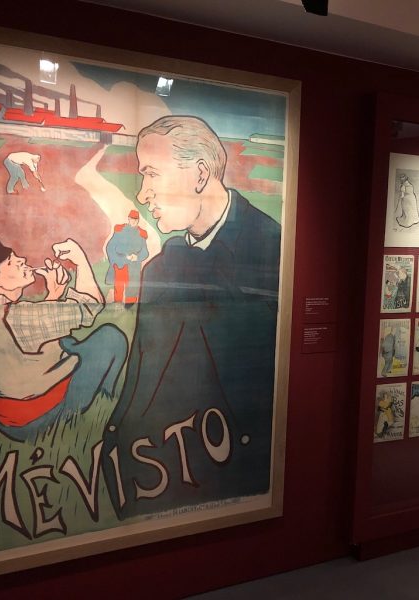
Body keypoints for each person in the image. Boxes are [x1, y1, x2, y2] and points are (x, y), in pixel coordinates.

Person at [101, 116, 282, 518]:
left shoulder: (273, 249)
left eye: (151, 174)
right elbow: (141, 383)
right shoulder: (160, 270)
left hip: (240, 484)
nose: (142, 194)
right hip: (158, 479)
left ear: (200, 174)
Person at [0, 236, 127, 442]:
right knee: (111, 337)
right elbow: (90, 306)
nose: (21, 260)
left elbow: (34, 336)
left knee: (66, 342)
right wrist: (80, 259)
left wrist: (53, 295)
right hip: (30, 420)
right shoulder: (17, 316)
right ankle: (104, 404)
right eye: (11, 262)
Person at [105, 209, 149, 306]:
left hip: (134, 266)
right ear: (128, 219)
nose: (133, 221)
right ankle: (117, 304)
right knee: (119, 287)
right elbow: (110, 247)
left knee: (132, 287)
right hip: (120, 264)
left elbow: (145, 252)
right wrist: (117, 260)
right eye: (132, 219)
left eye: (136, 220)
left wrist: (137, 257)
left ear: (138, 220)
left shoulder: (141, 234)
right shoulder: (120, 230)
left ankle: (130, 306)